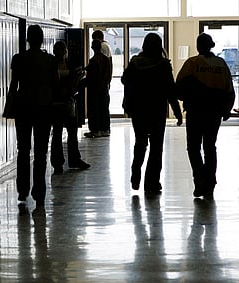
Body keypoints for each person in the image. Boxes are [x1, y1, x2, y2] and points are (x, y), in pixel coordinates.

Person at [121, 33, 183, 194]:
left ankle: (136, 174)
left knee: (140, 143)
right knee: (156, 147)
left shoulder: (135, 62)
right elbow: (171, 90)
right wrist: (177, 112)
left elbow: (124, 80)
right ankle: (152, 183)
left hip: (139, 110)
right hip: (157, 111)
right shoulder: (163, 65)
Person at [176, 33, 235, 198]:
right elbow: (230, 89)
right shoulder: (221, 64)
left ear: (197, 46)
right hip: (214, 112)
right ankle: (210, 181)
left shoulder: (192, 63)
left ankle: (199, 179)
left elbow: (179, 86)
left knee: (193, 147)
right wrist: (226, 109)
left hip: (195, 111)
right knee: (210, 147)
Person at [7, 24, 58, 207]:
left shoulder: (19, 59)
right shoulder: (50, 61)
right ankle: (39, 190)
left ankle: (22, 189)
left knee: (23, 149)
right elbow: (55, 86)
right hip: (44, 108)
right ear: (42, 39)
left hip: (23, 108)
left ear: (27, 39)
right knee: (41, 152)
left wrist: (9, 106)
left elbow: (14, 85)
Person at [50, 41, 90, 175]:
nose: (61, 53)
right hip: (55, 104)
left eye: (63, 50)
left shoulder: (71, 64)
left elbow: (77, 80)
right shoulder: (50, 65)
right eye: (59, 50)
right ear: (55, 51)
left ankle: (74, 160)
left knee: (72, 133)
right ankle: (57, 163)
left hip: (68, 102)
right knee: (57, 134)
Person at [84, 30, 113, 138]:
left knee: (93, 109)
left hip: (94, 88)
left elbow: (90, 75)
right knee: (104, 108)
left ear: (92, 48)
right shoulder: (105, 59)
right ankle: (105, 129)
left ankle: (95, 130)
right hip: (104, 86)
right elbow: (109, 71)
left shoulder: (93, 60)